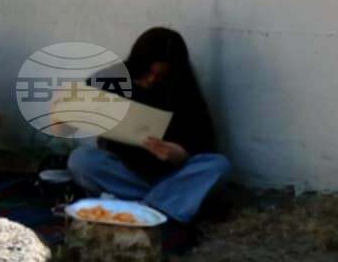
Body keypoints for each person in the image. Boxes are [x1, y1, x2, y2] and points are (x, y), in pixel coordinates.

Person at [66, 27, 229, 249]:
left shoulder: (184, 91)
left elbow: (202, 142)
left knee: (217, 165)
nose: (152, 80)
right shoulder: (116, 80)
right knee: (81, 160)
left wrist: (177, 153)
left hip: (171, 176)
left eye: (160, 76)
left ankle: (145, 208)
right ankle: (165, 208)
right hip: (127, 174)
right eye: (147, 73)